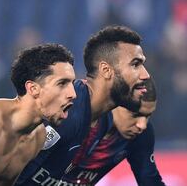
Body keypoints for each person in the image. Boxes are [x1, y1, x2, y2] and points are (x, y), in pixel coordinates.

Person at [15, 25, 152, 185]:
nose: (145, 74)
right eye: (135, 64)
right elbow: (13, 177)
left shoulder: (103, 119)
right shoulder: (66, 111)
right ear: (106, 70)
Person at [0, 43, 77, 186]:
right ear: (33, 88)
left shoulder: (38, 136)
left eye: (72, 83)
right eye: (62, 84)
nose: (73, 94)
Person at [57, 77, 164, 185]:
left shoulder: (140, 135)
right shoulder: (77, 110)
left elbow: (150, 180)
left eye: (148, 116)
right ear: (115, 102)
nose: (142, 125)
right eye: (135, 115)